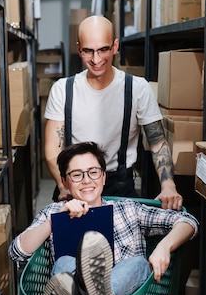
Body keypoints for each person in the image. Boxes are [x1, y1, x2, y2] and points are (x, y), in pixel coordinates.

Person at [8, 142, 199, 295]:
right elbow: (17, 251)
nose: (86, 181)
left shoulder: (128, 209)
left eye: (93, 172)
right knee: (65, 264)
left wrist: (164, 246)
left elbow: (188, 222)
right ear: (64, 181)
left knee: (137, 265)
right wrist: (54, 221)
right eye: (77, 175)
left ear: (104, 176)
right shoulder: (54, 212)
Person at [44, 15, 184, 210]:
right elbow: (53, 148)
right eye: (88, 51)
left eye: (103, 49)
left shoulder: (137, 88)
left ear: (115, 46)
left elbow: (157, 142)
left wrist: (168, 184)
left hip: (119, 186)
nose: (96, 59)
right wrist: (63, 185)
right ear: (78, 49)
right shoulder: (63, 89)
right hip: (74, 186)